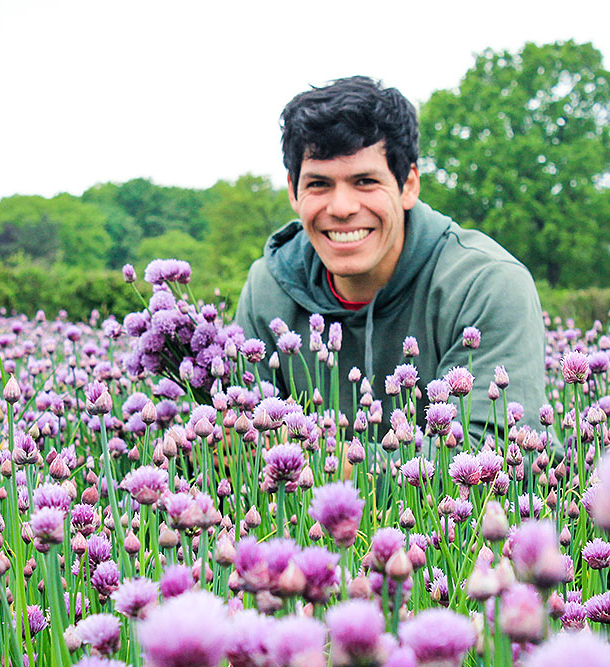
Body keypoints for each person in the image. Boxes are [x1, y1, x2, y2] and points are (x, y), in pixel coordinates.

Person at [234, 76, 552, 453]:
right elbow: (238, 449)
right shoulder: (268, 287)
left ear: (409, 185)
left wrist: (319, 461)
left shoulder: (486, 284)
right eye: (319, 184)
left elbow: (492, 453)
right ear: (292, 191)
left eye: (365, 181)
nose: (341, 208)